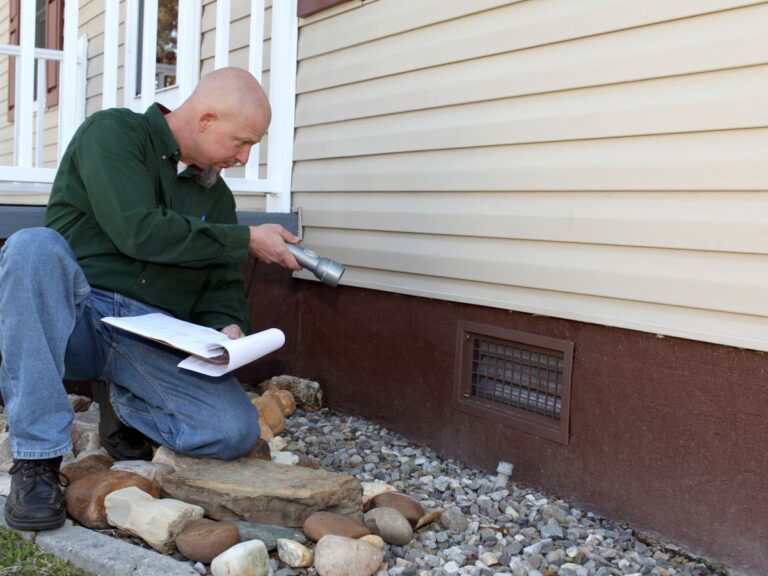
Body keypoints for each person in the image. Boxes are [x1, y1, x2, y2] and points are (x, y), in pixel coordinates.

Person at [0, 67, 300, 531]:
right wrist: (244, 240)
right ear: (205, 119)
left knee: (231, 431)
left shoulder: (216, 196)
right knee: (31, 247)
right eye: (242, 142)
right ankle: (37, 459)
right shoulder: (114, 133)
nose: (244, 156)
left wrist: (228, 327)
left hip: (147, 334)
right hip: (76, 317)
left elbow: (221, 282)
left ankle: (126, 409)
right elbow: (138, 230)